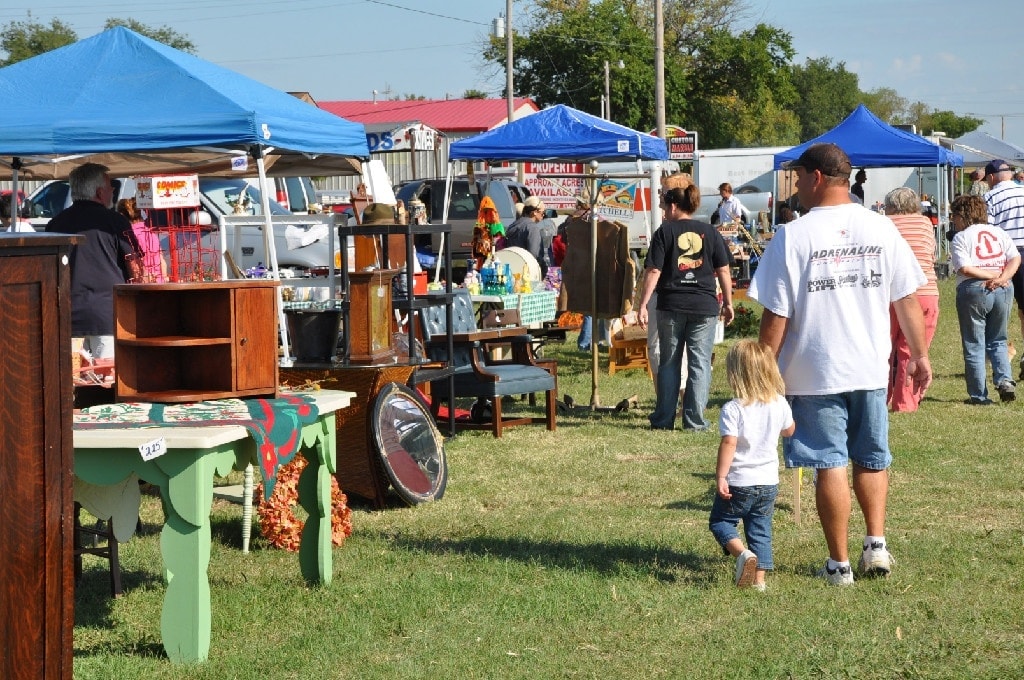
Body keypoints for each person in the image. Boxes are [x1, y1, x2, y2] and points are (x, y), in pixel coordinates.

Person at [748, 143, 932, 586]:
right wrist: (920, 354)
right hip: (868, 366)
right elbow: (906, 297)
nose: (794, 186)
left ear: (816, 178)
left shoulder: (793, 235)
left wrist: (763, 369)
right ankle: (876, 544)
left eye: (797, 177)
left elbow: (777, 313)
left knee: (829, 462)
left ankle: (840, 565)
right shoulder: (881, 227)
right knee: (871, 458)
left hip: (813, 370)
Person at [638, 184, 734, 431]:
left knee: (669, 362)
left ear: (673, 206)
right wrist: (729, 302)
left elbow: (654, 270)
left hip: (671, 304)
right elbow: (723, 270)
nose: (664, 211)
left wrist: (643, 304)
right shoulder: (710, 232)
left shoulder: (664, 231)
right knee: (699, 363)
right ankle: (695, 421)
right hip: (704, 305)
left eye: (665, 207)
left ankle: (663, 419)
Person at [710, 340, 796, 591]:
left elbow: (729, 443)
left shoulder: (733, 409)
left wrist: (721, 476)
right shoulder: (779, 403)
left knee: (721, 522)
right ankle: (759, 582)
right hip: (768, 482)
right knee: (760, 528)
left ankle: (742, 554)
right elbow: (790, 431)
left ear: (736, 373)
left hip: (740, 481)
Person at [46, 163, 141, 359]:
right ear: (99, 192)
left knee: (70, 375)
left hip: (66, 314)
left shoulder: (54, 224)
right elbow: (135, 266)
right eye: (110, 187)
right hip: (107, 315)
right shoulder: (117, 221)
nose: (112, 191)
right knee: (107, 374)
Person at [949, 194, 1020, 404]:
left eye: (955, 216)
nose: (953, 220)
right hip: (1004, 288)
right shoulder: (999, 232)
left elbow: (964, 268)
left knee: (974, 343)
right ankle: (1005, 380)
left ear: (963, 215)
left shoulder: (961, 237)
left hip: (974, 289)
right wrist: (1003, 277)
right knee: (998, 338)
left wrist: (991, 276)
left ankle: (979, 395)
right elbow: (1015, 258)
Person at [884, 187, 939, 412]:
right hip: (925, 290)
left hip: (889, 292)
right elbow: (932, 256)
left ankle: (878, 398)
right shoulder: (925, 223)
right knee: (913, 350)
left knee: (883, 349)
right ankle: (906, 402)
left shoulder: (884, 223)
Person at [982, 159, 1024, 379]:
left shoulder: (989, 197)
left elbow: (987, 231)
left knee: (996, 310)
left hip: (1003, 257)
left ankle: (998, 355)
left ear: (991, 177)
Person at [117, 197, 166, 283]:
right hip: (159, 283)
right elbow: (162, 262)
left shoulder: (128, 235)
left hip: (143, 284)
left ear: (121, 215)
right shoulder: (151, 233)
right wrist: (163, 279)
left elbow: (133, 266)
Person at [504, 204, 548, 276]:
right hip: (527, 271)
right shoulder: (532, 228)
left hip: (511, 268)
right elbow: (533, 254)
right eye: (542, 213)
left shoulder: (512, 226)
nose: (543, 215)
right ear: (534, 212)